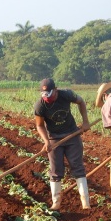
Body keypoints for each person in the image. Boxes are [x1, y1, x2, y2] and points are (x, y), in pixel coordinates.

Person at [34, 78, 92, 210]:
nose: (47, 98)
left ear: (55, 90)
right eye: (44, 96)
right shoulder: (40, 105)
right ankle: (56, 202)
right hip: (54, 139)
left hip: (72, 135)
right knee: (55, 170)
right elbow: (40, 125)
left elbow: (81, 101)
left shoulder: (66, 94)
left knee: (77, 167)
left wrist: (85, 122)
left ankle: (85, 202)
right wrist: (46, 141)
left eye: (49, 94)